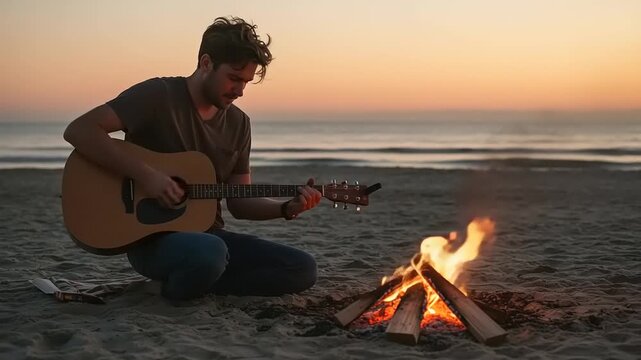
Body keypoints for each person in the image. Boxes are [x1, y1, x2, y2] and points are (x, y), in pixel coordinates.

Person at [63, 16, 321, 301]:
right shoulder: (158, 95)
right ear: (206, 63)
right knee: (210, 253)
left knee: (302, 268)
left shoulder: (239, 124)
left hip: (210, 237)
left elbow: (240, 202)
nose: (240, 91)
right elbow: (80, 130)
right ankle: (186, 284)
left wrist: (287, 207)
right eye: (234, 78)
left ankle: (197, 283)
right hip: (151, 240)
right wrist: (147, 175)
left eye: (246, 81)